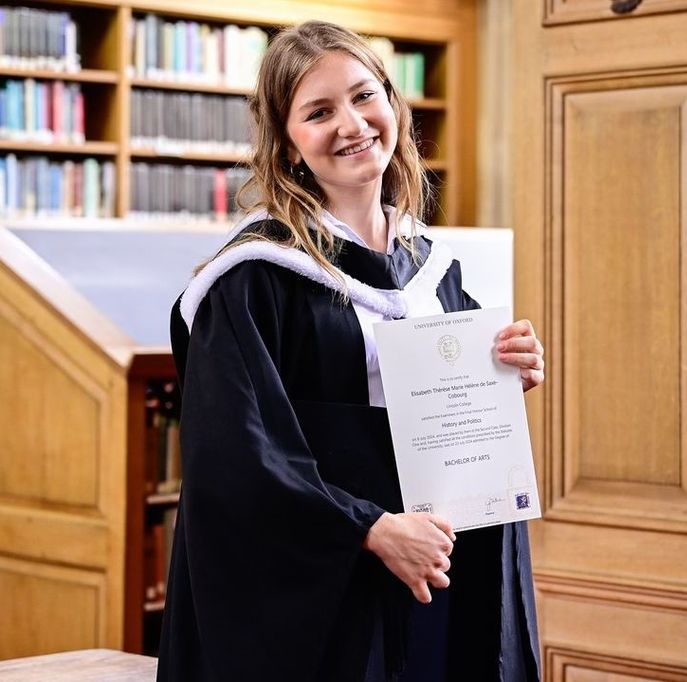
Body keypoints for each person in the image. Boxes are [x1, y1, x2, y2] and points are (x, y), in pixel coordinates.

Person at [158, 20, 545, 682]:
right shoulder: (256, 276)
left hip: (439, 563)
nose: (352, 123)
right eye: (318, 111)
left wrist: (507, 370)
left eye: (365, 96)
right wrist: (368, 529)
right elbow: (238, 458)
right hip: (330, 590)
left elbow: (460, 417)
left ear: (394, 105)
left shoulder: (432, 265)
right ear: (288, 146)